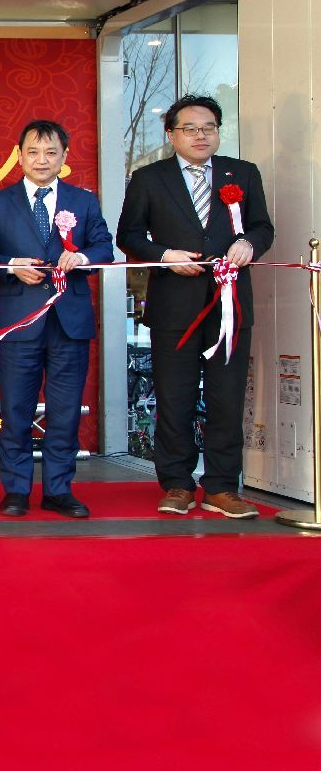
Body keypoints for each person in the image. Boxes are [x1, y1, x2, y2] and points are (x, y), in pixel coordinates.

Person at [116, 94, 273, 518]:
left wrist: (249, 243)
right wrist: (165, 255)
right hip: (174, 305)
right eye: (189, 129)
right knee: (174, 398)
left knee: (227, 399)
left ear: (218, 132)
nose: (200, 135)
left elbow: (263, 227)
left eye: (208, 128)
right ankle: (177, 484)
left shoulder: (243, 173)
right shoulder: (149, 178)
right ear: (171, 135)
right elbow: (128, 235)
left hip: (230, 305)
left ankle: (222, 487)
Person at [0, 119, 113, 518]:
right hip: (19, 320)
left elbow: (105, 247)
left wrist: (82, 257)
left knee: (65, 412)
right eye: (33, 152)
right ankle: (16, 489)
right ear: (19, 156)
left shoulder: (83, 201)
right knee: (16, 410)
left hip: (70, 322)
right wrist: (11, 265)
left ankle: (58, 489)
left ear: (64, 157)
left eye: (51, 153)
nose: (41, 160)